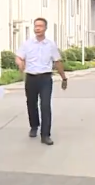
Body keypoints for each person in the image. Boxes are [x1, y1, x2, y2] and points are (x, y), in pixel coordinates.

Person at [15, 17, 67, 146]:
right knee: (31, 103)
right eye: (36, 26)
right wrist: (20, 63)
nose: (37, 28)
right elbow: (19, 57)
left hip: (45, 78)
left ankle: (45, 135)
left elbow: (57, 61)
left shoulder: (50, 45)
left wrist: (63, 77)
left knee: (45, 105)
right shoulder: (27, 44)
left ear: (45, 28)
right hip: (31, 77)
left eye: (40, 26)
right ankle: (34, 126)